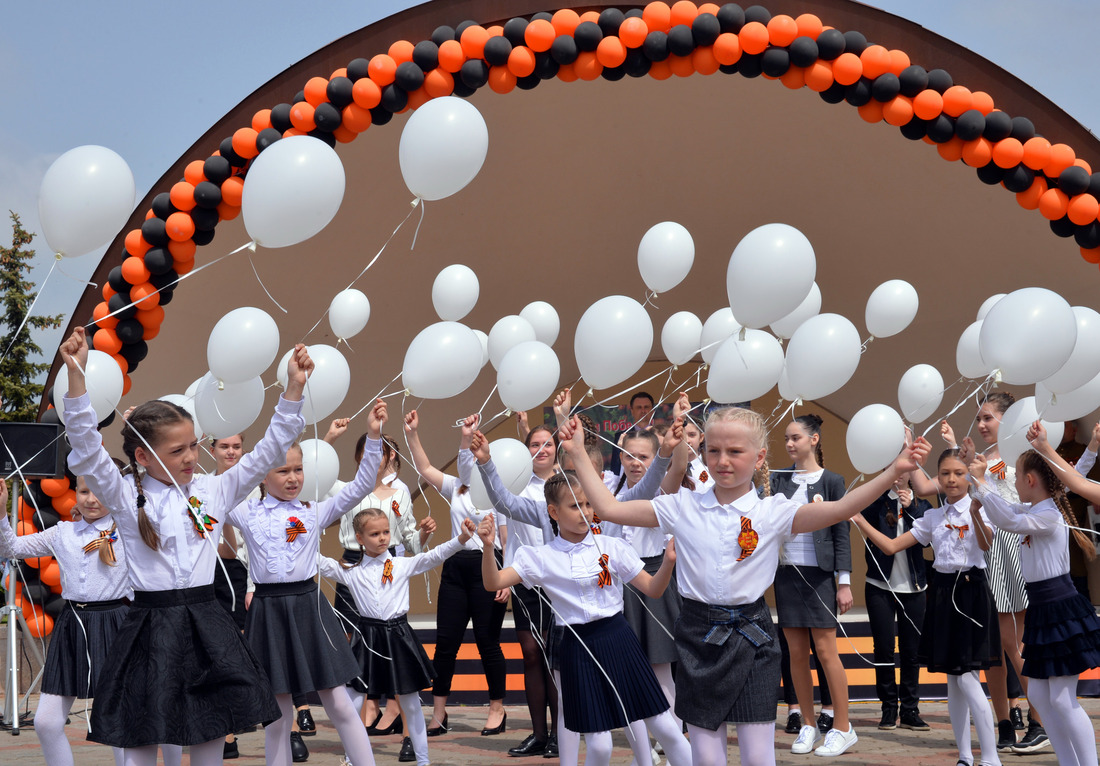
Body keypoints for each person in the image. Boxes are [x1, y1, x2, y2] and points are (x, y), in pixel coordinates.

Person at [562, 407, 930, 765]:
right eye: (714, 450)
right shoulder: (681, 507)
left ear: (759, 457)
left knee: (757, 756)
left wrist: (894, 472)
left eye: (735, 451)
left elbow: (840, 509)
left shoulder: (773, 512)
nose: (723, 460)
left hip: (753, 639)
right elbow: (608, 509)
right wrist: (578, 451)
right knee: (706, 757)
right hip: (697, 636)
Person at [59, 326, 310, 766]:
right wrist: (77, 378)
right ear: (143, 457)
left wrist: (292, 388)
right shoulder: (121, 494)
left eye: (194, 445)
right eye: (178, 451)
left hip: (205, 622)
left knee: (208, 730)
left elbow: (269, 449)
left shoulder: (215, 490)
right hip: (150, 625)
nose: (191, 457)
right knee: (142, 733)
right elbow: (85, 443)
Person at [477, 475, 692, 766]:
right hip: (578, 647)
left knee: (666, 727)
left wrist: (668, 562)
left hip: (619, 638)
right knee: (600, 745)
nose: (585, 512)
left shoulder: (611, 546)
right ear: (553, 512)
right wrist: (489, 548)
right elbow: (494, 582)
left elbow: (653, 590)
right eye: (575, 506)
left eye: (588, 504)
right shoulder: (541, 557)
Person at [224, 399, 388, 766]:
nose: (293, 478)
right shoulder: (246, 511)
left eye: (298, 469)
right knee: (278, 715)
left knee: (339, 703)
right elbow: (205, 500)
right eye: (283, 471)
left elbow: (362, 484)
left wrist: (374, 436)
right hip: (268, 610)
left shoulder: (314, 511)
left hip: (309, 607)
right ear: (263, 474)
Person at [0, 478, 182, 766]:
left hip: (117, 622)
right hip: (72, 624)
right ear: (75, 494)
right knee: (46, 722)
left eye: (100, 491)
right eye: (84, 491)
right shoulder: (63, 532)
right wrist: (1, 514)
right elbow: (11, 548)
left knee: (120, 720)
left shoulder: (128, 528)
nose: (91, 499)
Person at [852, 449, 1002, 766]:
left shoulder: (981, 506)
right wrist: (860, 520)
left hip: (971, 592)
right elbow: (892, 546)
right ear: (937, 477)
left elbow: (987, 544)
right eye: (945, 473)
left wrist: (975, 510)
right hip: (942, 593)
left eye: (959, 473)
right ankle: (964, 756)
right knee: (952, 680)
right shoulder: (933, 516)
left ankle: (990, 757)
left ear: (968, 476)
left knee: (967, 677)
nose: (951, 480)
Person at [921, 396, 1041, 751]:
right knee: (992, 648)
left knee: (1014, 642)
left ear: (1009, 419)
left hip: (1008, 552)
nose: (982, 424)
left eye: (988, 418)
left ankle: (1040, 719)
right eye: (979, 418)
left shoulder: (1018, 457)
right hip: (985, 559)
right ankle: (1004, 723)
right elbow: (932, 487)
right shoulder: (979, 459)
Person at [320, 509, 477, 766]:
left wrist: (461, 538)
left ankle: (423, 760)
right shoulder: (350, 570)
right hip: (367, 639)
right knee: (352, 702)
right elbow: (321, 562)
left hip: (398, 637)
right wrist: (295, 540)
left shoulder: (401, 564)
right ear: (359, 538)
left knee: (411, 703)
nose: (382, 538)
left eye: (385, 532)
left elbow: (433, 556)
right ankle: (352, 757)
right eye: (374, 533)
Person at [403, 410, 508, 737]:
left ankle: (497, 708)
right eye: (468, 455)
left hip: (489, 567)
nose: (471, 461)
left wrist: (509, 579)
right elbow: (424, 468)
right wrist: (413, 433)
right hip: (456, 568)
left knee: (487, 641)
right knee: (446, 642)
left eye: (476, 455)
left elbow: (509, 538)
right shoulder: (457, 487)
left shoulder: (500, 491)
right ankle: (439, 712)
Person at [1007, 423, 1100, 766]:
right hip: (1043, 608)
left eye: (1018, 476)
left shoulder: (1046, 512)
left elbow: (1076, 480)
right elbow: (1075, 479)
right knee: (1042, 697)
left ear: (1030, 480)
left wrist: (984, 489)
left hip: (1062, 607)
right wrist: (1087, 446)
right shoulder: (1042, 504)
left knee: (1061, 699)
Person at [769, 415, 851, 753]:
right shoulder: (777, 480)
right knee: (796, 654)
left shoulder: (832, 480)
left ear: (814, 440)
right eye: (787, 438)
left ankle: (843, 727)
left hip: (819, 576)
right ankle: (807, 723)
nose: (789, 444)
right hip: (787, 574)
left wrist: (843, 582)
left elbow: (840, 533)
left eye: (796, 438)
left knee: (826, 651)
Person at [501, 421, 560, 757]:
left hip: (558, 581)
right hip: (525, 581)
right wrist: (506, 578)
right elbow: (509, 538)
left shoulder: (565, 484)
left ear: (556, 449)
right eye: (534, 444)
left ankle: (559, 734)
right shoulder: (517, 487)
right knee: (531, 654)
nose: (541, 449)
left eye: (547, 443)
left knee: (554, 658)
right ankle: (538, 733)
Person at [858, 477, 930, 732]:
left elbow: (928, 540)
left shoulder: (922, 503)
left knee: (912, 652)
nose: (898, 475)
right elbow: (852, 512)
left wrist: (911, 507)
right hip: (879, 586)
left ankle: (910, 709)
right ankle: (888, 708)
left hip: (914, 588)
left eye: (903, 469)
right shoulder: (876, 501)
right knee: (884, 649)